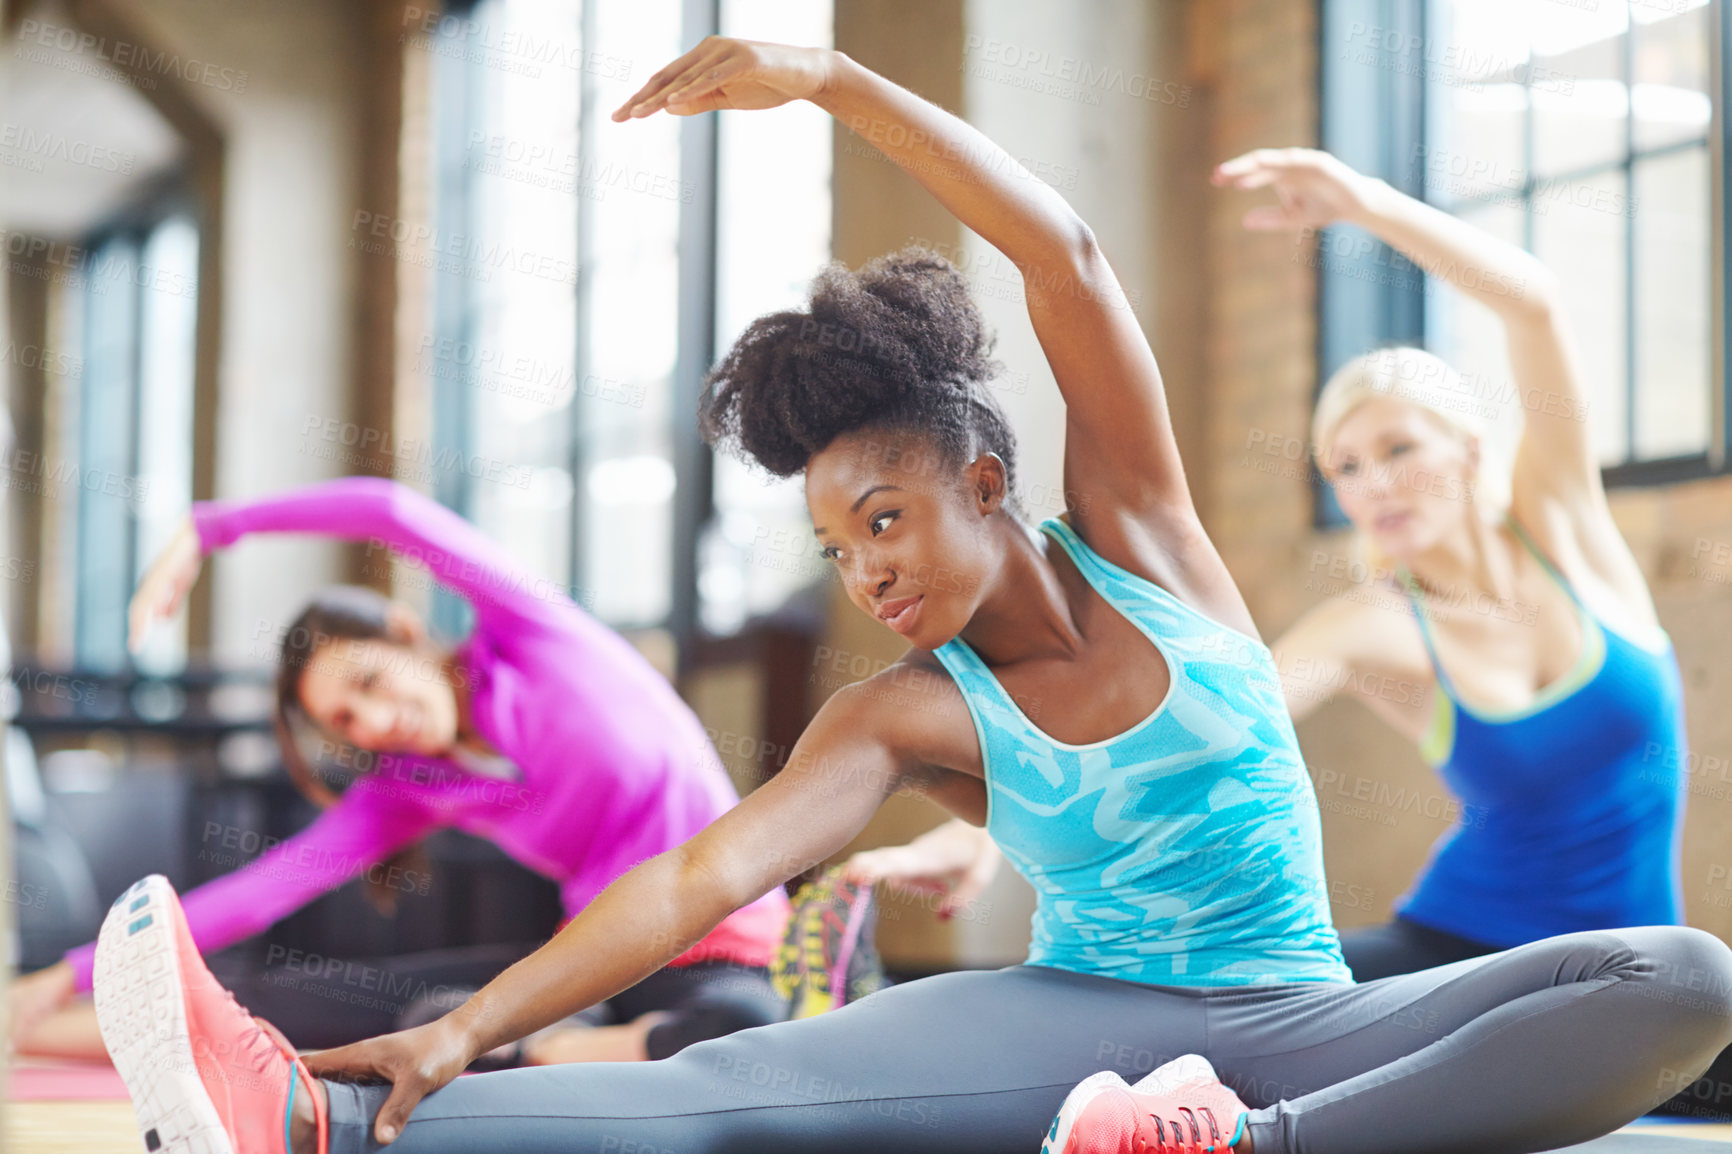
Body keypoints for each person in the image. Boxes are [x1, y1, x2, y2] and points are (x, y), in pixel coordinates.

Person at [91, 39, 1732, 1154]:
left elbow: (1067, 261)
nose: (865, 566)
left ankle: (1232, 1148)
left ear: (988, 480)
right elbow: (703, 869)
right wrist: (469, 1025)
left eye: (883, 515)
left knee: (1678, 978)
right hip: (1073, 1007)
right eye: (836, 546)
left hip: (1290, 1015)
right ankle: (295, 1109)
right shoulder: (896, 709)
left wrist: (825, 78)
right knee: (742, 1081)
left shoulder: (1150, 541)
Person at [1211, 146, 1728, 1118]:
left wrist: (1362, 202)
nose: (1374, 484)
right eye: (1346, 467)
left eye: (1397, 446)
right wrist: (989, 824)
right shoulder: (1369, 623)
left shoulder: (1568, 531)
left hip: (1641, 979)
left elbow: (1532, 303)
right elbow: (1215, 724)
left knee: (1700, 1003)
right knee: (1220, 1023)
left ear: (1468, 446)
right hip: (1456, 960)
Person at [9, 475, 791, 1066]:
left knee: (745, 1029)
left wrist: (211, 529)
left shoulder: (535, 635)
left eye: (370, 683)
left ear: (405, 633)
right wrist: (65, 976)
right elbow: (258, 894)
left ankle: (542, 1052)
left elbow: (389, 511)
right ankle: (27, 1031)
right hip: (590, 970)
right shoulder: (409, 785)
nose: (378, 722)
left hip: (725, 947)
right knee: (317, 996)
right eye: (348, 723)